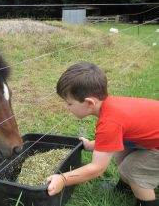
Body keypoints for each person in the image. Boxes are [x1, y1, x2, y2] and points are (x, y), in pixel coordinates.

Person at [46, 61, 159, 206]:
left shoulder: (109, 122)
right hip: (152, 137)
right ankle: (125, 189)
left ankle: (148, 202)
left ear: (89, 103)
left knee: (132, 169)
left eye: (69, 104)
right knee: (120, 152)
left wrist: (63, 179)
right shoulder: (110, 107)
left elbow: (97, 168)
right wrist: (91, 145)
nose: (67, 108)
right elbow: (110, 140)